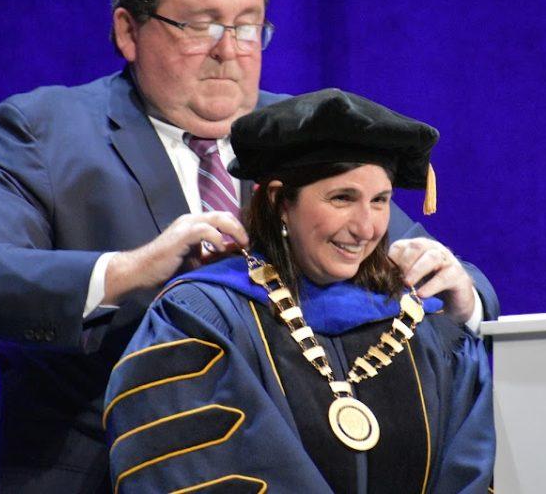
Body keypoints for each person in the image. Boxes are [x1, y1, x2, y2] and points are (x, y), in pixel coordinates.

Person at [0, 0, 499, 494]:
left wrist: (461, 294)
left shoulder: (298, 133)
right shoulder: (45, 130)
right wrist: (132, 269)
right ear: (128, 31)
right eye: (200, 26)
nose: (230, 50)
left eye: (248, 26)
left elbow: (437, 271)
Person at [105, 89, 494, 493]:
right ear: (279, 202)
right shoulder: (199, 322)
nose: (367, 227)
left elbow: (473, 470)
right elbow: (187, 472)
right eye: (342, 198)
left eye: (380, 201)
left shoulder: (421, 324)